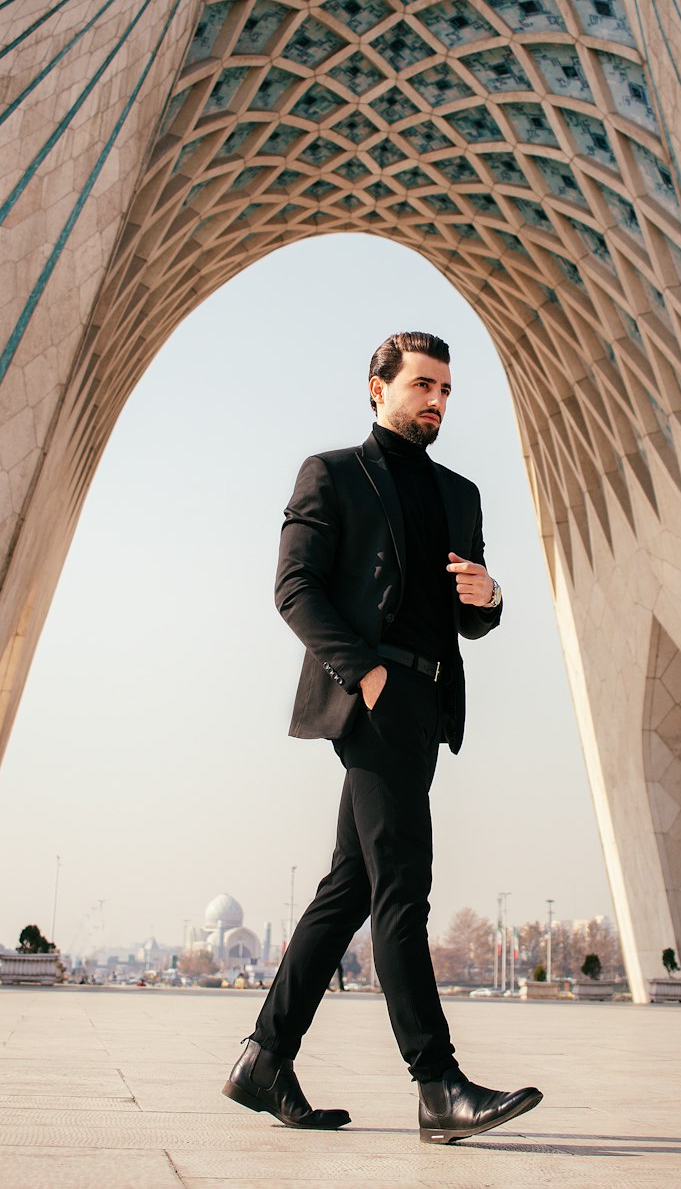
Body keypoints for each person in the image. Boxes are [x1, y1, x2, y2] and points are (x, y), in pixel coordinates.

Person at [222, 332, 542, 1144]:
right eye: (422, 386)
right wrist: (363, 674)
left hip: (429, 705)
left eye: (446, 390)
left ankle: (265, 1057)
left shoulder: (461, 494)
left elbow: (467, 617)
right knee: (403, 883)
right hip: (374, 695)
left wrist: (490, 594)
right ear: (378, 388)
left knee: (352, 888)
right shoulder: (331, 474)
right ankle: (437, 1084)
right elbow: (293, 587)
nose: (436, 401)